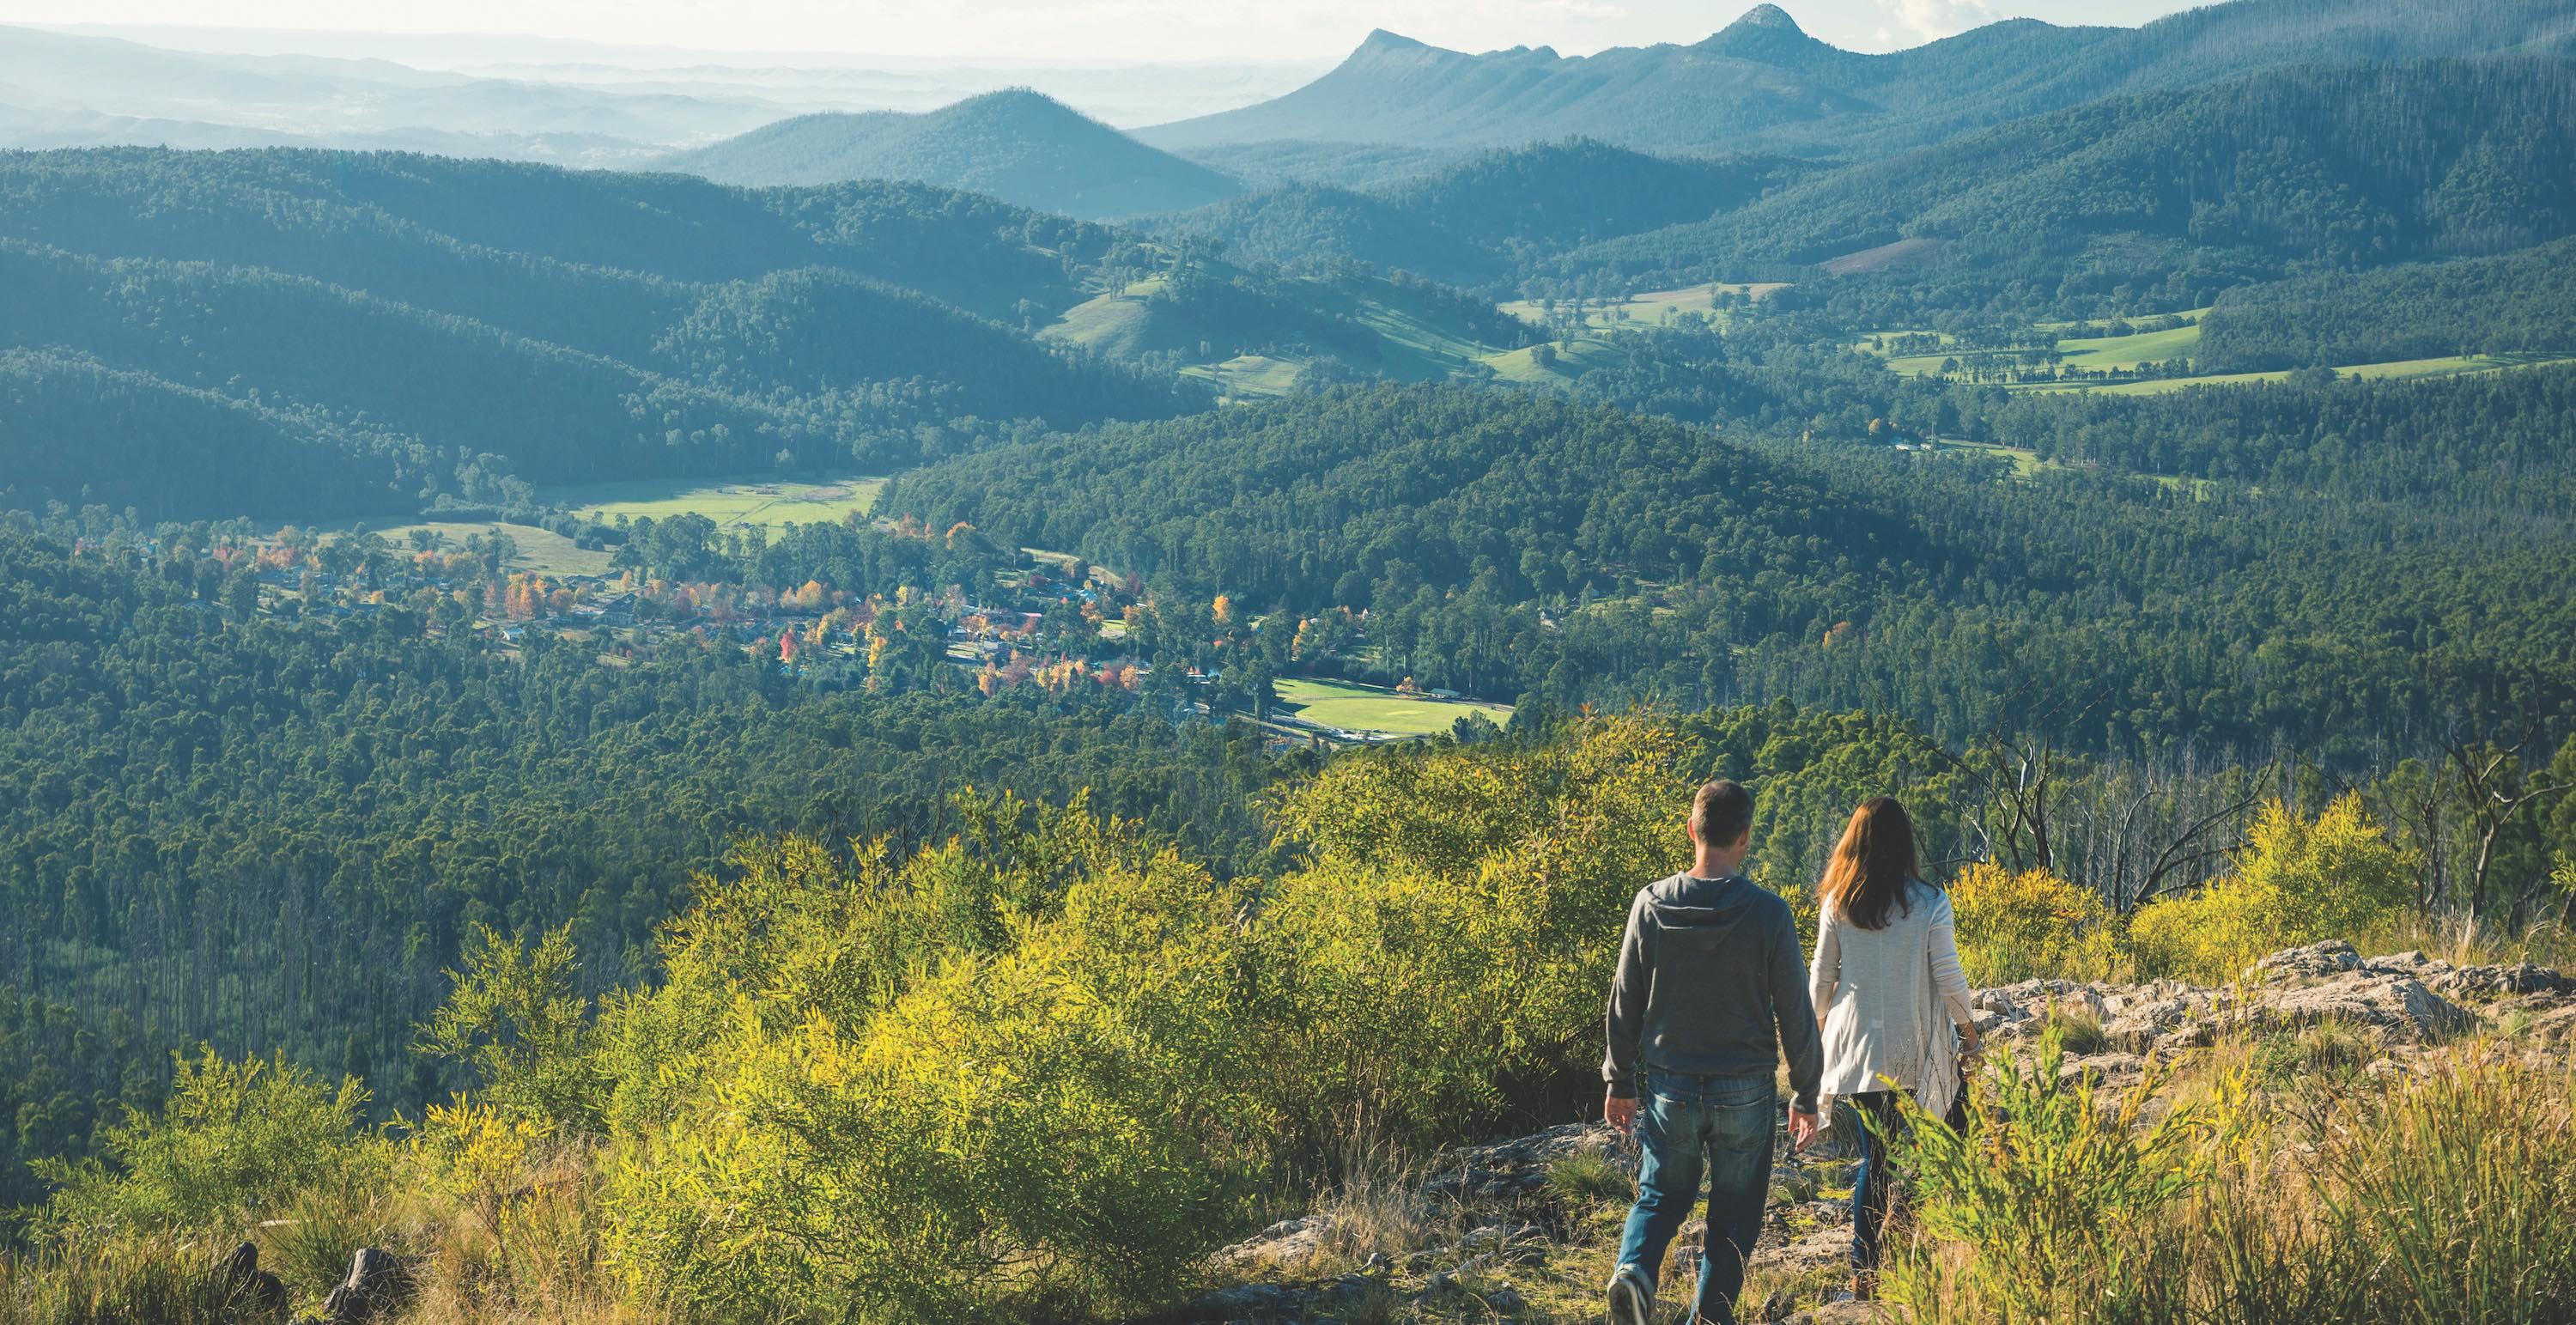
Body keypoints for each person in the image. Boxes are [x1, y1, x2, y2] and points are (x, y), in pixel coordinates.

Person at [1602, 779, 1824, 1325]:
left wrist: (1620, 1080)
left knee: (1660, 1195)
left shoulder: (1651, 904)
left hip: (1671, 1083)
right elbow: (1794, 1010)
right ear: (1744, 838)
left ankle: (1635, 1272)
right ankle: (1710, 1317)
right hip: (1745, 1089)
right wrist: (1805, 1090)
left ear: (1691, 830)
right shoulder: (1769, 913)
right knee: (1735, 1215)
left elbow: (1625, 998)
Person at [1807, 796, 1980, 1299]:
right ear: (1904, 843)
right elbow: (1948, 977)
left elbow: (1821, 980)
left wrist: (1820, 1036)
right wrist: (1969, 1034)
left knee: (1875, 1157)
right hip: (1919, 1048)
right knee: (1947, 1139)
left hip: (1859, 1051)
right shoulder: (1928, 902)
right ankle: (1915, 1235)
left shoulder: (1838, 903)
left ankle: (1866, 1267)